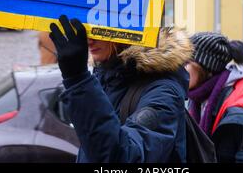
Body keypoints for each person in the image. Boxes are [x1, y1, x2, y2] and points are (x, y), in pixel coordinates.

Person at [49, 15, 193, 163]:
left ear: (130, 30)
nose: (89, 39)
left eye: (100, 30)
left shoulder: (162, 91)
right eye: (87, 30)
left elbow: (124, 158)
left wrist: (78, 79)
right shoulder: (104, 78)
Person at [186, 32, 243, 163]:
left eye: (187, 62)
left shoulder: (237, 107)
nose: (182, 69)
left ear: (207, 68)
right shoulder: (197, 97)